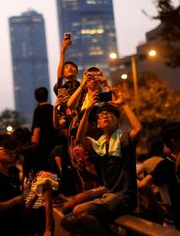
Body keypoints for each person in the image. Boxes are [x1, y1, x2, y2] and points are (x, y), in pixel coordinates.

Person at [61, 87, 142, 236]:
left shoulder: (123, 138)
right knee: (66, 220)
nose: (105, 116)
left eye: (110, 113)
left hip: (123, 196)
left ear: (117, 120)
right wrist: (88, 109)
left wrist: (123, 104)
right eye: (102, 115)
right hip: (109, 194)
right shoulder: (100, 144)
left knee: (78, 212)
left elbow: (137, 128)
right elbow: (79, 137)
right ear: (97, 124)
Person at [32, 87, 60, 160]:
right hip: (57, 143)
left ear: (36, 97)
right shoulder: (53, 108)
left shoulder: (38, 110)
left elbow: (37, 130)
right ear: (47, 95)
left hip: (44, 147)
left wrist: (34, 146)